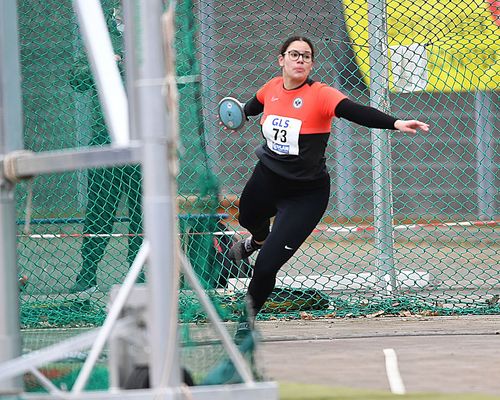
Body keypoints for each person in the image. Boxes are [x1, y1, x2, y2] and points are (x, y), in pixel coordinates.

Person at [225, 36, 429, 334]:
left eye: (306, 56)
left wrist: (396, 123)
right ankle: (256, 239)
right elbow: (250, 107)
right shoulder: (271, 88)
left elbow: (357, 111)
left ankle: (247, 321)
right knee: (247, 219)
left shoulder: (320, 95)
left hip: (305, 194)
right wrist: (235, 115)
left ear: (311, 64)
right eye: (294, 54)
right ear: (281, 60)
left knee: (267, 267)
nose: (300, 60)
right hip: (266, 178)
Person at [68, 3, 143, 293]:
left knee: (142, 211)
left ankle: (139, 273)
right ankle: (87, 273)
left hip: (144, 139)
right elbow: (76, 78)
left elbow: (182, 68)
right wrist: (104, 63)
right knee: (99, 210)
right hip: (106, 139)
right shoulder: (101, 38)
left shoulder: (152, 36)